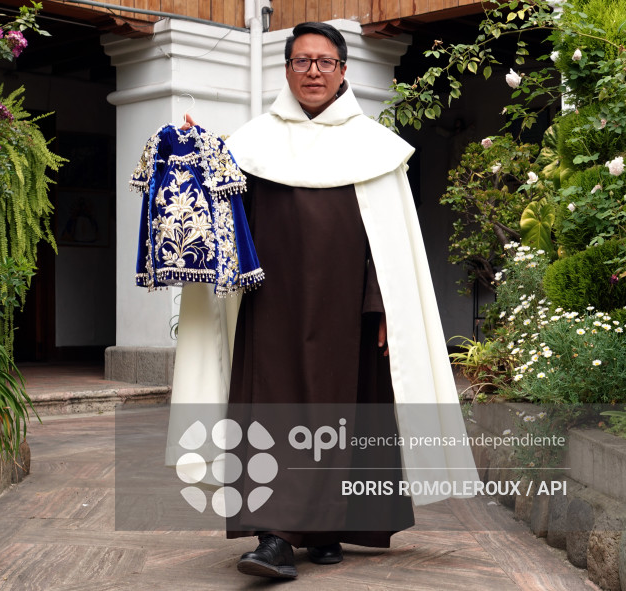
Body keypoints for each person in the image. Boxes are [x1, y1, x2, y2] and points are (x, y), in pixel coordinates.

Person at [167, 21, 478, 581]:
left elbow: (391, 240)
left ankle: (327, 528)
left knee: (344, 417)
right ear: (287, 69)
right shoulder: (249, 144)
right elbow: (220, 218)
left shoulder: (375, 149)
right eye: (303, 61)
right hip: (268, 307)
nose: (314, 71)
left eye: (325, 61)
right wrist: (193, 149)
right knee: (270, 414)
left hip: (347, 311)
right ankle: (275, 536)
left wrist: (385, 305)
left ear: (342, 72)